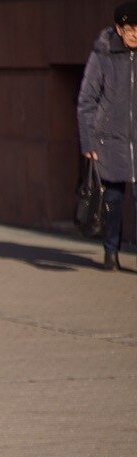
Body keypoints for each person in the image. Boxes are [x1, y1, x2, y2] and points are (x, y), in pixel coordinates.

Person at [78, 2, 137, 271]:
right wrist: (89, 142)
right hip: (110, 144)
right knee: (112, 201)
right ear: (118, 28)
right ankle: (110, 251)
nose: (135, 34)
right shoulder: (103, 54)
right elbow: (86, 101)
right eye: (129, 29)